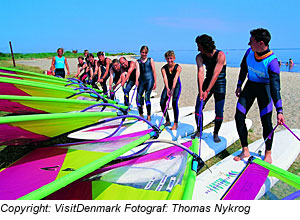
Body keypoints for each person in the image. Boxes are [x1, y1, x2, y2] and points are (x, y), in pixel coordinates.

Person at [234, 28, 285, 163]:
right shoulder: (249, 52)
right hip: (250, 87)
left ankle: (268, 152)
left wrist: (279, 111)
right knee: (239, 117)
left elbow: (275, 88)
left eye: (251, 41)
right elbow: (243, 69)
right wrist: (239, 85)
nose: (248, 44)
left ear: (261, 43)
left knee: (266, 122)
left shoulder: (272, 62)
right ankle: (245, 149)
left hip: (265, 90)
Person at [193, 34, 227, 143]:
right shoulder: (199, 57)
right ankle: (199, 130)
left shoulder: (220, 55)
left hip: (220, 83)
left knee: (219, 111)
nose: (198, 49)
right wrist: (201, 90)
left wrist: (207, 91)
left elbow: (216, 74)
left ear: (205, 46)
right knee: (198, 108)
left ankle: (216, 133)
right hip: (207, 81)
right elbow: (200, 73)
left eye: (199, 46)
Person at [160, 50, 182, 130]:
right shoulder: (163, 68)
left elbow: (175, 78)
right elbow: (165, 79)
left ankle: (175, 123)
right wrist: (168, 88)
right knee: (162, 103)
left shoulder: (178, 67)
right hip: (167, 86)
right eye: (168, 58)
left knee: (174, 102)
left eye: (171, 58)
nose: (169, 60)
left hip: (176, 86)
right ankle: (168, 120)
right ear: (166, 59)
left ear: (174, 58)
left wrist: (172, 89)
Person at [135, 46, 157, 121]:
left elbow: (154, 71)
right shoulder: (137, 61)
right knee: (138, 97)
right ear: (140, 52)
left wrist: (155, 82)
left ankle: (148, 115)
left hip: (149, 80)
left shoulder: (150, 60)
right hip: (141, 80)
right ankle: (141, 114)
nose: (144, 54)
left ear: (147, 53)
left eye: (145, 53)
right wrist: (136, 80)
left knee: (147, 97)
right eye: (142, 52)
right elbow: (138, 71)